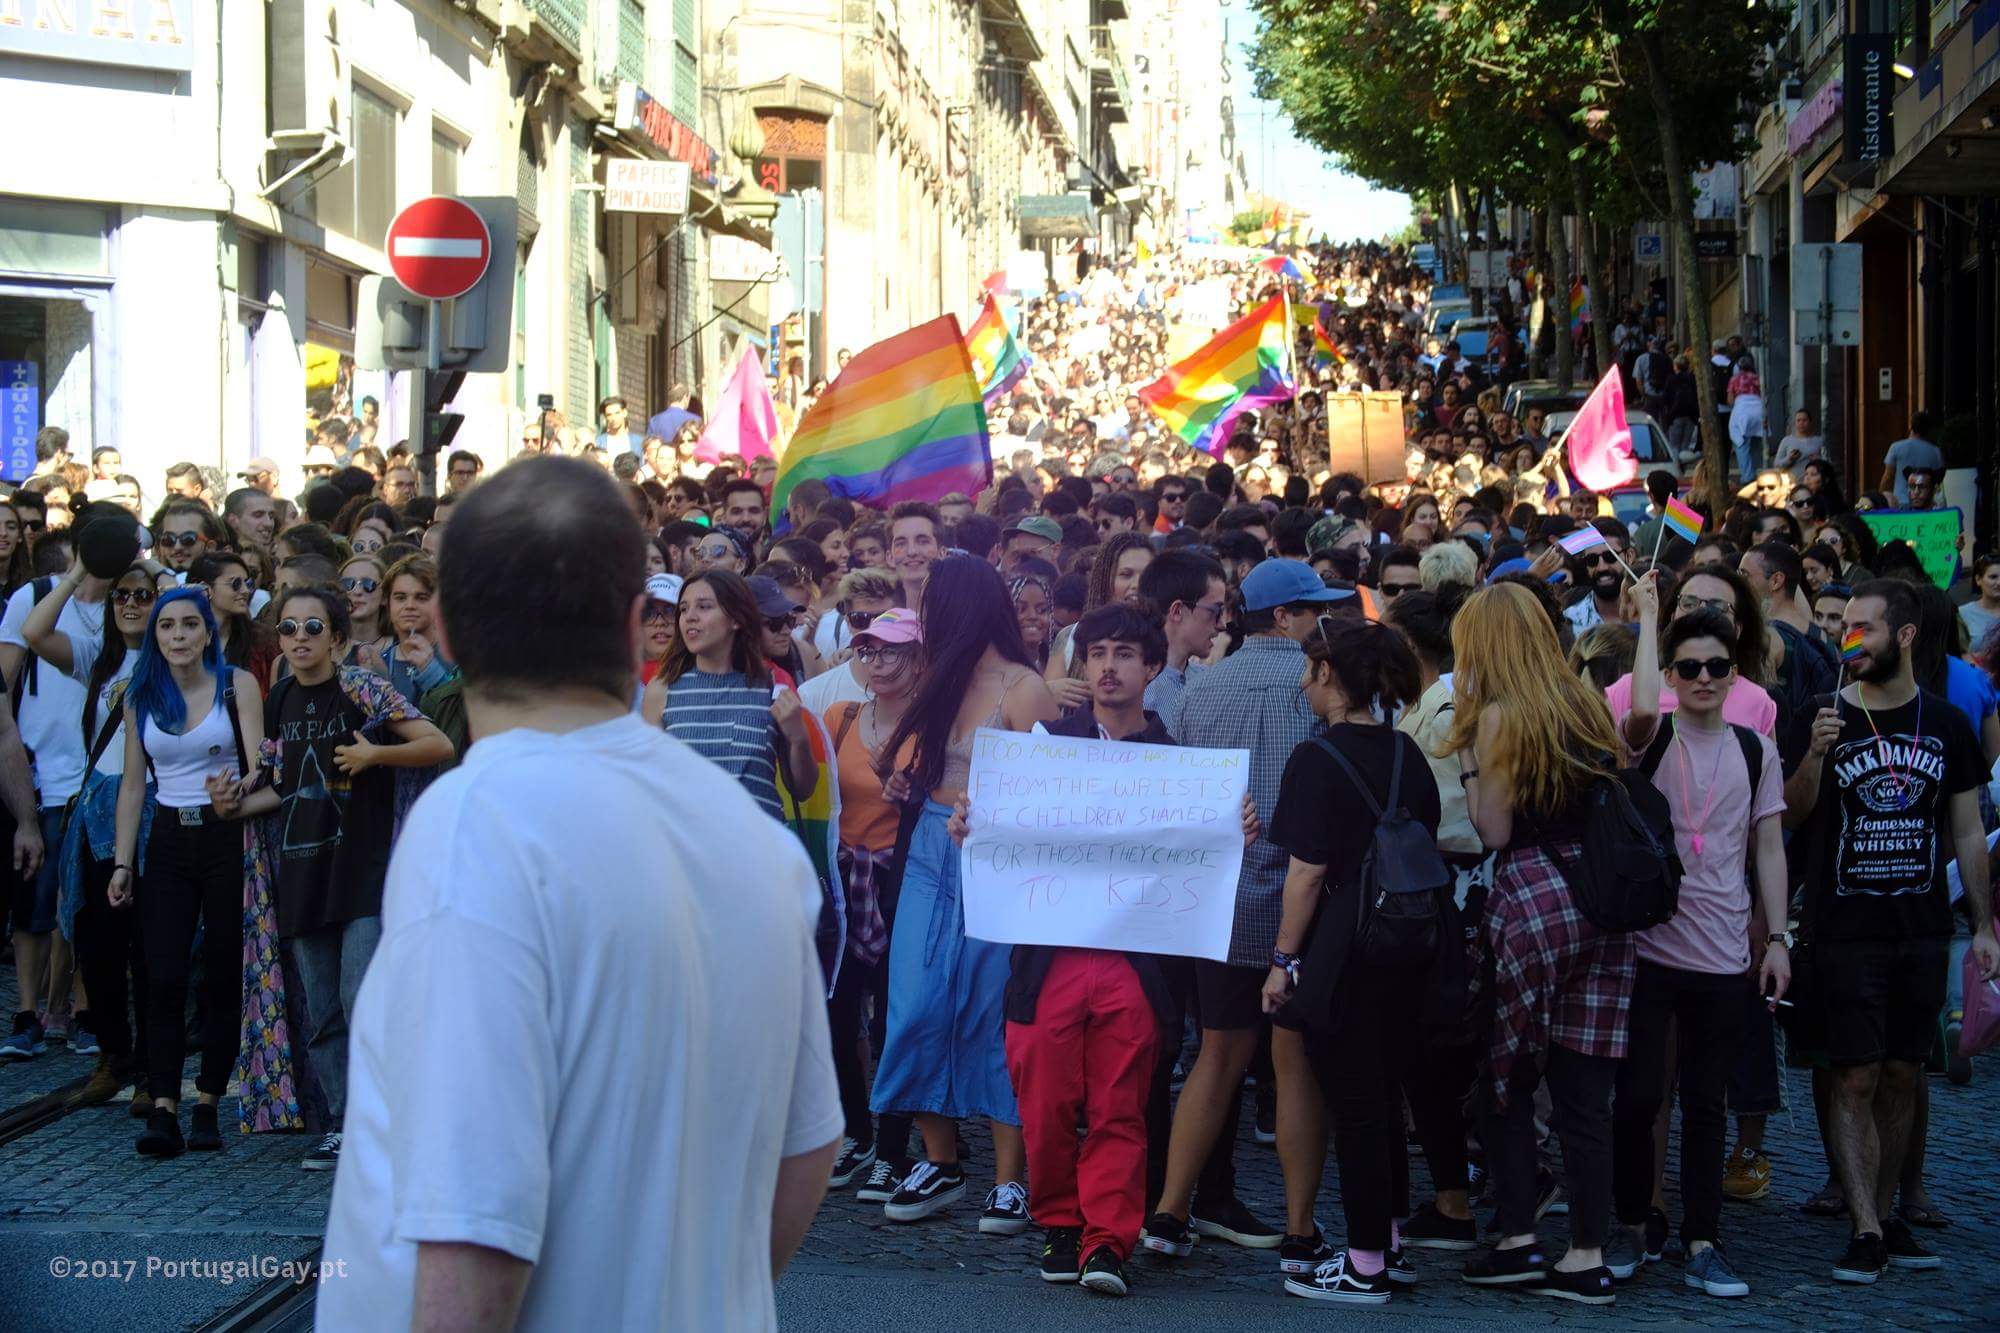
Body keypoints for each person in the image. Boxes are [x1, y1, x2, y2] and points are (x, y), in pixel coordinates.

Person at [317, 457, 840, 1328]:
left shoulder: (478, 822)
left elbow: (475, 1227)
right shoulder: (753, 838)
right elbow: (808, 1144)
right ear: (638, 626)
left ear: (444, 630)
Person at [970, 604, 1250, 1298]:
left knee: (1121, 1109)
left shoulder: (1181, 767)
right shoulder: (1043, 751)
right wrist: (974, 823)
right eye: (1097, 653)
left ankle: (1107, 1241)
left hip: (1136, 965)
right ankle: (1060, 1221)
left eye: (1125, 654)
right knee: (1044, 1103)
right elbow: (999, 832)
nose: (1108, 667)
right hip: (1049, 961)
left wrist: (1231, 828)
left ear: (1152, 667)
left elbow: (1201, 860)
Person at [1782, 579, 1999, 1284]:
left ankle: (1885, 1211)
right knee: (1854, 1074)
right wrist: (1814, 756)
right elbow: (1789, 813)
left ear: (1905, 636)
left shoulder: (1946, 724)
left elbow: (1967, 828)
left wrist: (1984, 923)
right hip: (1844, 929)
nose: (1849, 640)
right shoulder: (1820, 713)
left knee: (1904, 1072)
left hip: (1921, 927)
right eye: (1844, 626)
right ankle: (1864, 1226)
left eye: (1864, 628)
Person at [1144, 560, 1345, 1269]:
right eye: (1313, 610)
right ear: (1284, 616)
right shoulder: (1319, 687)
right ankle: (1299, 1228)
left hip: (1218, 901)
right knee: (1292, 1065)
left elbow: (1163, 771)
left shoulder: (1201, 686)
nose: (1322, 621)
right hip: (1300, 904)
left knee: (1217, 1053)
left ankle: (1170, 1210)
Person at [208, 582, 450, 1169]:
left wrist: (376, 754)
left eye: (313, 627)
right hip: (302, 874)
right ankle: (343, 1124)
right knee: (323, 1012)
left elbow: (437, 742)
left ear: (337, 638)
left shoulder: (362, 687)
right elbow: (284, 786)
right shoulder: (280, 697)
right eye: (288, 628)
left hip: (362, 871)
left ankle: (384, 1121)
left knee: (361, 999)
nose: (299, 638)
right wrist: (231, 806)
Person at [1450, 583, 1634, 1305]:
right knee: (1586, 1093)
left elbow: (1494, 830)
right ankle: (1588, 1254)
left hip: (1533, 899)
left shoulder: (1498, 717)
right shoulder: (1585, 704)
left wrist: (1470, 764)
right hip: (1600, 901)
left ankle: (1519, 1239)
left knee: (1508, 1074)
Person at [1608, 586, 1790, 1298]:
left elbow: (1768, 846)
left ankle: (1703, 1238)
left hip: (1722, 954)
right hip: (1650, 947)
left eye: (1717, 666)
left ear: (1734, 673)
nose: (1705, 678)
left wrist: (1778, 938)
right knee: (1638, 1097)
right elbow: (1639, 708)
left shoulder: (1755, 748)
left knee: (1707, 1103)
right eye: (1689, 667)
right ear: (1671, 674)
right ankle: (1632, 1223)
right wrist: (1652, 618)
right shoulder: (1651, 734)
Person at [869, 557, 1058, 1231]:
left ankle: (1011, 1178)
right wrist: (904, 782)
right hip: (929, 847)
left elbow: (1054, 797)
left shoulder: (1025, 689)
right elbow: (921, 764)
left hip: (996, 860)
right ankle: (940, 1159)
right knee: (915, 1003)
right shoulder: (940, 678)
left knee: (988, 1009)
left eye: (932, 608)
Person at [1263, 618, 1440, 1304]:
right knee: (1385, 1096)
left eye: (1311, 670)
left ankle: (1364, 1263)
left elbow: (1306, 873)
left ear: (1329, 674)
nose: (1305, 682)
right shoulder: (1406, 752)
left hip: (1345, 947)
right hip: (1411, 939)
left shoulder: (1316, 758)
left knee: (1358, 1104)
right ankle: (1387, 1242)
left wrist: (1283, 959)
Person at [110, 587, 268, 1157]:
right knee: (163, 976)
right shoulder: (140, 696)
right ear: (156, 636)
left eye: (188, 625)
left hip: (227, 833)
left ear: (207, 633)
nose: (177, 636)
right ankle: (163, 1108)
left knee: (222, 973)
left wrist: (238, 788)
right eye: (167, 626)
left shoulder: (236, 684)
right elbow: (134, 785)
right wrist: (123, 862)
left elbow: (262, 766)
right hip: (169, 837)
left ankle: (207, 1103)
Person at [21, 555, 162, 1104]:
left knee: (151, 947)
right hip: (98, 809)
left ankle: (152, 1067)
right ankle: (113, 1053)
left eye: (143, 595)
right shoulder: (96, 658)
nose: (130, 603)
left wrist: (154, 568)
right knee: (97, 944)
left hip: (157, 807)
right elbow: (34, 632)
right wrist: (83, 570)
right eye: (121, 594)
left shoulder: (178, 653)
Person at [821, 608, 920, 1197]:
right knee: (838, 1015)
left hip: (901, 885)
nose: (878, 662)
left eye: (892, 651)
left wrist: (911, 794)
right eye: (869, 650)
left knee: (894, 1020)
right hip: (844, 883)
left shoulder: (933, 728)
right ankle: (856, 1132)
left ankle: (893, 1149)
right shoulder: (841, 716)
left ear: (918, 659)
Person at [643, 570, 816, 824]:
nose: (690, 617)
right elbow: (650, 784)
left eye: (704, 606)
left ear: (735, 619)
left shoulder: (772, 686)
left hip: (759, 842)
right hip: (688, 843)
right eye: (684, 609)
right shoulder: (661, 689)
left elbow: (802, 789)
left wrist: (798, 737)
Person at [1137, 550, 1228, 720]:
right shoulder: (1136, 692)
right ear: (1177, 611)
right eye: (1215, 611)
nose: (1222, 625)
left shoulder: (1213, 683)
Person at [1878, 412, 1941, 506]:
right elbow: (1938, 481)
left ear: (1910, 426)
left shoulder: (1896, 447)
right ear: (1928, 429)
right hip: (1925, 504)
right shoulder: (1935, 451)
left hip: (1900, 502)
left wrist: (1880, 498)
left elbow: (1888, 477)